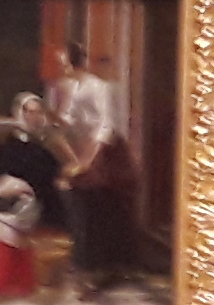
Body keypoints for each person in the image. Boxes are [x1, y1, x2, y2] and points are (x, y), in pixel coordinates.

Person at [50, 43, 146, 287]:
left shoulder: (98, 87)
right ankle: (86, 265)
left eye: (64, 63)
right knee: (82, 204)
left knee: (103, 205)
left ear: (74, 63)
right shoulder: (74, 87)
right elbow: (70, 118)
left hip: (106, 151)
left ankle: (107, 267)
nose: (62, 68)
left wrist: (90, 161)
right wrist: (54, 119)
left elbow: (106, 125)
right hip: (87, 148)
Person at [0, 92, 69, 299]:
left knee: (3, 220)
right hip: (6, 193)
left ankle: (0, 280)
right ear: (21, 114)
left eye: (38, 112)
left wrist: (22, 187)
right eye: (30, 112)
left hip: (36, 200)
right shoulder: (10, 142)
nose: (35, 117)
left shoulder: (45, 144)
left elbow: (49, 177)